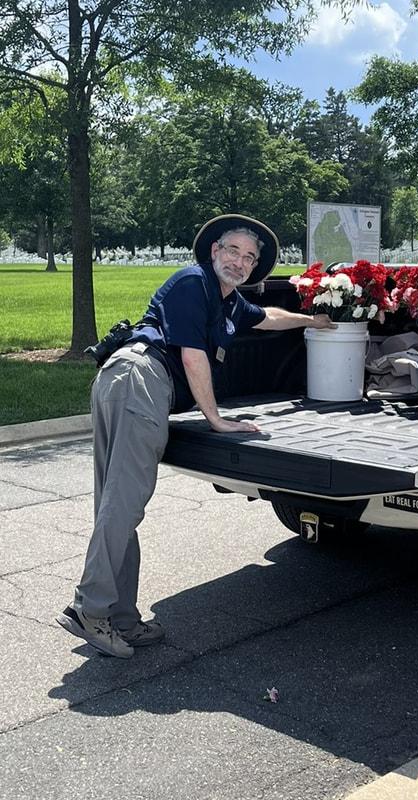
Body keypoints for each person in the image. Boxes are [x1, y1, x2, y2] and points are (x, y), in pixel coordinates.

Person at [57, 214, 335, 658]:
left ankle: (121, 618)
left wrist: (312, 321)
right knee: (123, 502)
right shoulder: (193, 282)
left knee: (118, 503)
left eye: (249, 257)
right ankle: (88, 609)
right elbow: (192, 356)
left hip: (128, 381)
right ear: (214, 251)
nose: (240, 261)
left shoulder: (229, 301)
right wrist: (216, 419)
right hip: (140, 379)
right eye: (233, 250)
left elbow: (268, 317)